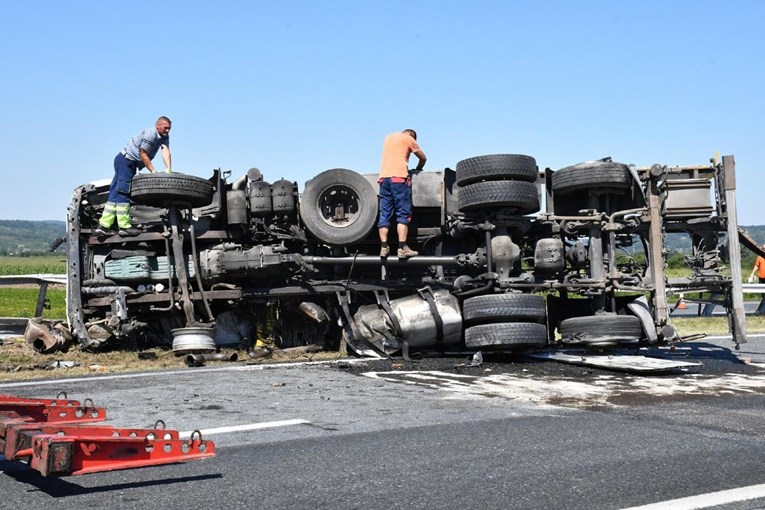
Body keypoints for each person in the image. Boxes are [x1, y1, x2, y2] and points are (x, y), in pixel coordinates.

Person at [96, 117, 173, 236]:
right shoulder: (150, 135)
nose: (168, 131)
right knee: (123, 192)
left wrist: (168, 169)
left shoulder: (163, 136)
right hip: (126, 161)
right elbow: (143, 154)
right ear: (158, 126)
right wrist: (153, 171)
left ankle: (104, 226)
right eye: (166, 128)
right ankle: (124, 227)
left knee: (115, 193)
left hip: (128, 163)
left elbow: (165, 150)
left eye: (169, 128)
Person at [377, 129, 426, 258]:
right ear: (412, 135)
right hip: (399, 179)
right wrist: (419, 168)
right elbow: (423, 157)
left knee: (384, 214)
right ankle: (402, 248)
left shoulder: (388, 137)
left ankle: (383, 248)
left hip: (384, 179)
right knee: (403, 214)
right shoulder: (409, 139)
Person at [748, 243, 765, 315]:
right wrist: (752, 273)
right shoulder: (760, 257)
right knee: (763, 295)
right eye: (763, 249)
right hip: (761, 278)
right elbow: (756, 266)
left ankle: (760, 311)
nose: (764, 250)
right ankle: (761, 311)